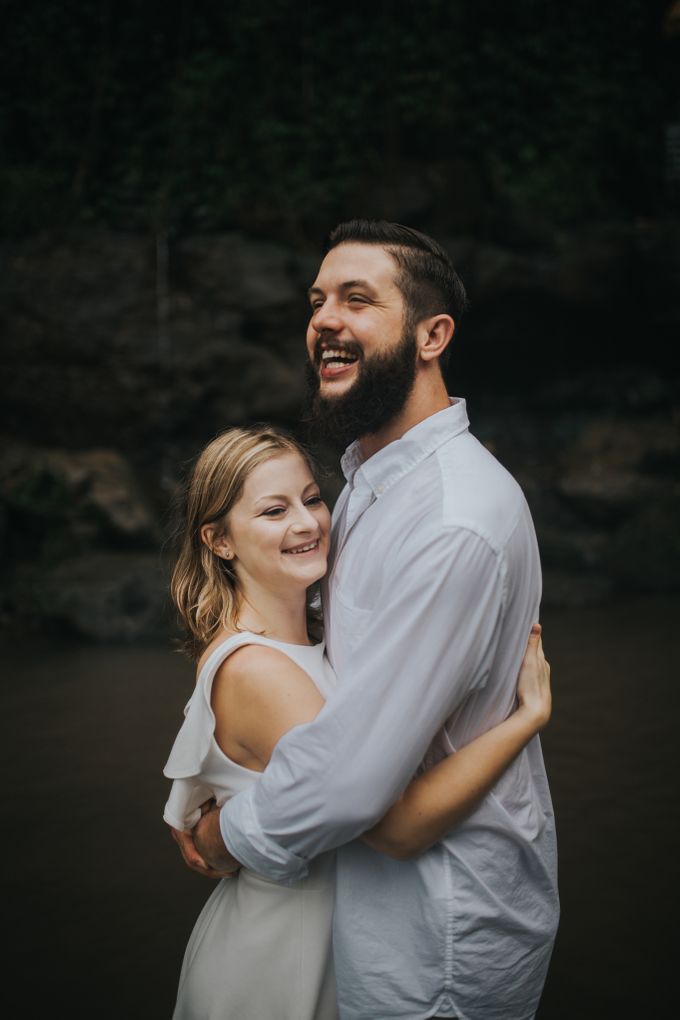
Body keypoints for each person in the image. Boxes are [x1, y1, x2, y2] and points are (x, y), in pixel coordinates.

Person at [172, 219, 560, 1020]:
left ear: (432, 334)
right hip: (362, 923)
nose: (325, 319)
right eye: (317, 300)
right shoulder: (365, 484)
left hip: (435, 935)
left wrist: (222, 837)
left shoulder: (452, 518)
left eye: (358, 298)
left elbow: (358, 790)